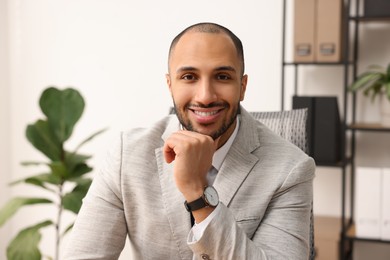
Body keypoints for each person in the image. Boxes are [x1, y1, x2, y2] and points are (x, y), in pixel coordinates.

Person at [64, 22, 315, 260]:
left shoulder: (291, 168)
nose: (205, 96)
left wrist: (198, 194)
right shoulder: (127, 154)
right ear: (170, 84)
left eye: (223, 77)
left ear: (243, 86)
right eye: (189, 77)